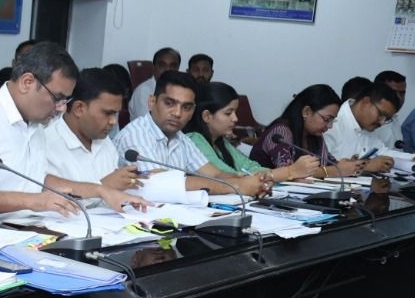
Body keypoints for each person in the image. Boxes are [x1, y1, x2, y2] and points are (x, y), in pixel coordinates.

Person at [0, 42, 142, 222]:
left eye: (65, 100)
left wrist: (100, 190)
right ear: (27, 82)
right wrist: (34, 201)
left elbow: (38, 181)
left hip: (36, 227)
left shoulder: (36, 123)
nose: (61, 108)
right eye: (57, 98)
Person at [114, 71, 269, 197]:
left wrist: (248, 181)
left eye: (186, 107)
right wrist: (235, 186)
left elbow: (214, 174)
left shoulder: (180, 138)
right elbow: (158, 183)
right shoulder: (136, 135)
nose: (177, 113)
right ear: (152, 102)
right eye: (169, 103)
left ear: (193, 110)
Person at [184, 81, 320, 182]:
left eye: (235, 112)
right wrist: (289, 172)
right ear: (207, 116)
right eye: (228, 113)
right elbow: (229, 176)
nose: (235, 118)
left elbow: (250, 167)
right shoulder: (194, 140)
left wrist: (287, 176)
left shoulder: (221, 142)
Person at [46, 67, 143, 194]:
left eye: (116, 114)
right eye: (108, 113)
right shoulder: (47, 144)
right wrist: (103, 187)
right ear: (79, 109)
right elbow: (52, 200)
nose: (113, 121)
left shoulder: (104, 142)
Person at [249, 84, 369, 178]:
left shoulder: (315, 135)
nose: (330, 126)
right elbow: (291, 173)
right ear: (306, 112)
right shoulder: (281, 132)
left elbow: (328, 164)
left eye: (333, 120)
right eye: (327, 119)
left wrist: (348, 165)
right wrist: (336, 171)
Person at [323, 81, 400, 170]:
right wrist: (366, 166)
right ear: (366, 102)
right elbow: (321, 167)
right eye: (381, 114)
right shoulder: (331, 123)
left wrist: (412, 158)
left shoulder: (367, 125)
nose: (382, 122)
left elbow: (382, 152)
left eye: (387, 119)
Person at [128, 47, 180, 122]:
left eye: (173, 66)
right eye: (162, 65)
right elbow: (148, 123)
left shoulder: (180, 90)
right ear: (154, 67)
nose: (168, 69)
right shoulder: (144, 91)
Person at [371, 69, 407, 147]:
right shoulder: (369, 123)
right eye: (393, 93)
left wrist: (413, 153)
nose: (399, 98)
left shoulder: (394, 118)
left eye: (402, 93)